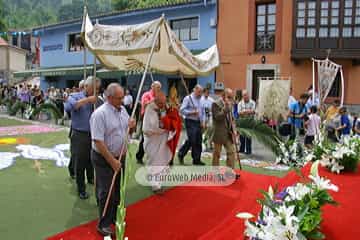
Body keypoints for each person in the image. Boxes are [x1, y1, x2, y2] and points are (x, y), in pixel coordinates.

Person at [90, 83, 136, 236]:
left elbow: (127, 129)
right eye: (119, 98)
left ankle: (114, 217)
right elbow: (98, 141)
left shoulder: (122, 110)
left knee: (117, 189)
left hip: (120, 155)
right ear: (109, 98)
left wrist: (132, 126)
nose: (122, 100)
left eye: (123, 97)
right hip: (104, 158)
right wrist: (112, 161)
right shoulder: (100, 114)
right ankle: (103, 223)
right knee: (106, 190)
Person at [64, 76, 100, 199]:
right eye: (94, 88)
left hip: (93, 134)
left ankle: (90, 178)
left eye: (98, 89)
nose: (96, 91)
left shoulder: (97, 99)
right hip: (79, 134)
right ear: (86, 86)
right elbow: (72, 106)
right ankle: (81, 189)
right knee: (79, 162)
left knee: (91, 159)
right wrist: (88, 100)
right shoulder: (74, 96)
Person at [143, 92, 173, 193]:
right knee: (155, 161)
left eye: (164, 103)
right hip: (153, 140)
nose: (163, 105)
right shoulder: (150, 109)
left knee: (162, 160)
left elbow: (169, 118)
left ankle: (158, 181)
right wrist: (162, 129)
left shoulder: (165, 107)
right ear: (155, 101)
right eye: (160, 103)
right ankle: (155, 185)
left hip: (163, 139)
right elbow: (147, 128)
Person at [178, 84, 206, 165]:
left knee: (198, 141)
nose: (200, 94)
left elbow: (203, 112)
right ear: (195, 90)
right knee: (192, 139)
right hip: (190, 121)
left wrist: (203, 122)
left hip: (198, 122)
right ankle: (181, 154)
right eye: (199, 92)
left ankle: (196, 159)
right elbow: (182, 110)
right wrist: (191, 112)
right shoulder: (188, 98)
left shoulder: (202, 99)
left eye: (201, 92)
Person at [211, 84, 237, 170]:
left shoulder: (230, 103)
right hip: (219, 133)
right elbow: (217, 117)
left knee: (231, 152)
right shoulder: (215, 104)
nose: (230, 99)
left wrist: (234, 129)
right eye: (229, 97)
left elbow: (231, 118)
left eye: (231, 97)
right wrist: (225, 108)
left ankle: (230, 171)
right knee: (217, 154)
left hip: (228, 134)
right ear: (223, 96)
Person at [136, 81, 162, 164]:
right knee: (145, 139)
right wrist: (154, 100)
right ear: (152, 87)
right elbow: (145, 105)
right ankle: (139, 156)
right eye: (158, 87)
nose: (159, 89)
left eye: (160, 88)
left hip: (155, 118)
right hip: (146, 118)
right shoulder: (146, 95)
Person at [238, 90, 256, 155]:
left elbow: (254, 111)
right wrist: (247, 111)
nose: (245, 96)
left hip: (249, 122)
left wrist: (245, 112)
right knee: (242, 136)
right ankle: (241, 149)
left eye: (246, 95)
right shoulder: (240, 103)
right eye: (244, 95)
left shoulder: (252, 102)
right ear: (242, 96)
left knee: (248, 136)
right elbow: (239, 112)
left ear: (248, 95)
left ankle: (248, 150)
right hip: (242, 122)